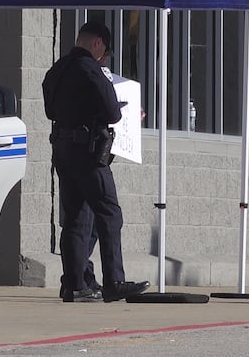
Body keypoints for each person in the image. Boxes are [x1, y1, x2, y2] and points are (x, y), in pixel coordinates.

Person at [42, 21, 150, 303]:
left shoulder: (57, 69)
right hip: (88, 153)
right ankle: (114, 281)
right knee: (110, 213)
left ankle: (74, 286)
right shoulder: (91, 69)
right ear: (97, 43)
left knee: (75, 220)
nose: (103, 58)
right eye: (104, 53)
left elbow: (50, 109)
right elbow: (112, 113)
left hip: (63, 149)